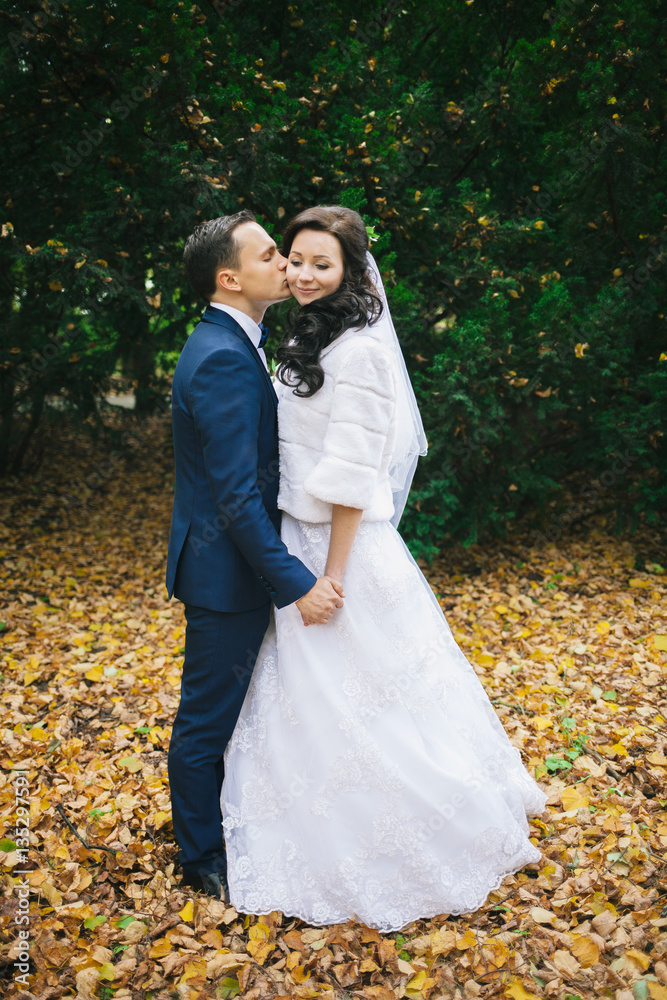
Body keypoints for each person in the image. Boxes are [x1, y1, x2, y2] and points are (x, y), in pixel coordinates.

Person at [220, 206, 547, 932]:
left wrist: (329, 577)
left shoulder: (361, 353)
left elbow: (351, 474)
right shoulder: (304, 332)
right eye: (296, 260)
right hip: (292, 539)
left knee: (370, 693)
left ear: (350, 272)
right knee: (307, 696)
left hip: (339, 549)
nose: (304, 274)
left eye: (321, 264)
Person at [166, 212, 344, 899]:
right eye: (270, 254)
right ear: (230, 277)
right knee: (207, 720)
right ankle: (200, 857)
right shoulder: (219, 358)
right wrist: (295, 583)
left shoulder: (236, 341)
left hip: (233, 564)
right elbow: (237, 498)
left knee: (231, 713)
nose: (286, 265)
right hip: (226, 574)